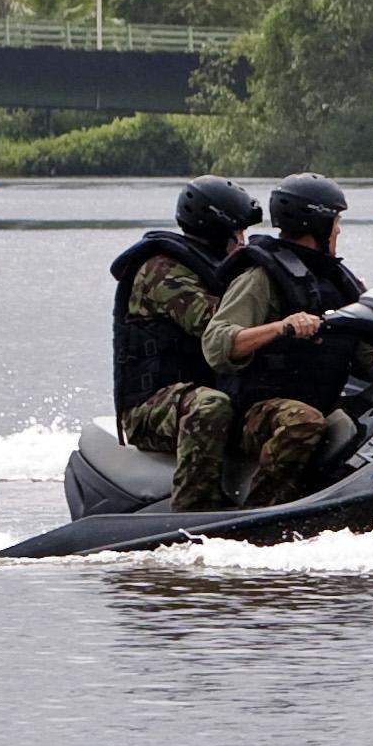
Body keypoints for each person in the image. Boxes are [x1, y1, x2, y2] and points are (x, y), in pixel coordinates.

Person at [201, 173, 373, 504]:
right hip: (254, 413)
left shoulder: (334, 280)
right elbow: (217, 343)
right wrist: (282, 326)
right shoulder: (260, 278)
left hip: (320, 400)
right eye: (336, 220)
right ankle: (261, 512)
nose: (339, 230)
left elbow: (366, 350)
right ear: (316, 222)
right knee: (303, 421)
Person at [109, 175, 260, 510]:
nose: (243, 241)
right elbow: (214, 324)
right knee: (210, 407)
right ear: (219, 231)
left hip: (202, 393)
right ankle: (193, 508)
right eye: (238, 233)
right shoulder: (161, 271)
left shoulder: (220, 269)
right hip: (150, 408)